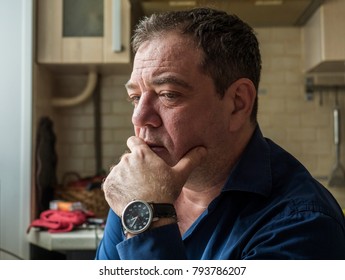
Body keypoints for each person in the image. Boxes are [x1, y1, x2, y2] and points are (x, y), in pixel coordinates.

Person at [95, 7, 345, 260]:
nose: (138, 117)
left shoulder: (303, 225)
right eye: (135, 97)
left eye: (168, 94)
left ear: (237, 102)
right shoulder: (139, 186)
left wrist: (151, 220)